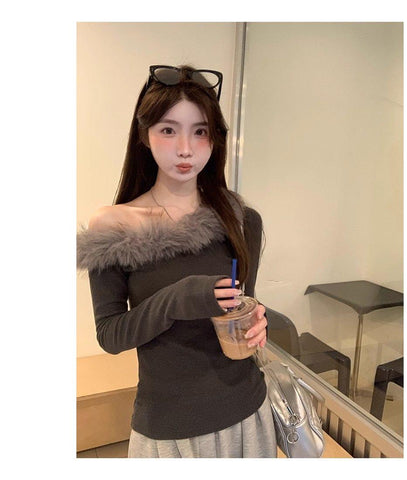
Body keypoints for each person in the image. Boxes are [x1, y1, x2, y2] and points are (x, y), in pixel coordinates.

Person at [77, 65, 277, 458]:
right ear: (144, 134)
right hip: (169, 428)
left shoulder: (240, 219)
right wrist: (178, 298)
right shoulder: (114, 226)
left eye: (200, 131)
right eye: (169, 130)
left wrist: (257, 320)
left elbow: (242, 302)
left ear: (215, 139)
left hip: (248, 414)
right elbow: (111, 335)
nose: (186, 148)